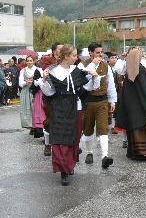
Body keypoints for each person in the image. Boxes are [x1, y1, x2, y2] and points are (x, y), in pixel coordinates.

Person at [40, 45, 101, 185]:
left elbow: (88, 87)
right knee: (60, 137)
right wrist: (43, 80)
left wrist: (94, 77)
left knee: (74, 136)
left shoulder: (77, 70)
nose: (76, 58)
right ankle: (63, 170)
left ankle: (69, 165)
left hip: (75, 106)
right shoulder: (52, 72)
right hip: (59, 107)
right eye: (74, 55)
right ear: (66, 56)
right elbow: (48, 92)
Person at [115, 47, 146, 160]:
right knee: (141, 129)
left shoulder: (129, 72)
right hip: (141, 105)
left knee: (133, 129)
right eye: (140, 56)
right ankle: (140, 152)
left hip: (132, 107)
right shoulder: (140, 70)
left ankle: (133, 152)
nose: (141, 57)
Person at [80, 43, 116, 169]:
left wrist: (112, 100)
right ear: (90, 53)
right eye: (97, 52)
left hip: (102, 101)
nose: (100, 54)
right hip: (88, 101)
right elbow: (83, 84)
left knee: (103, 128)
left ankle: (104, 156)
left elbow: (110, 84)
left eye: (101, 52)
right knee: (88, 129)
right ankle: (89, 152)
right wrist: (92, 67)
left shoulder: (106, 65)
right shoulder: (83, 65)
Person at [19, 56, 43, 131]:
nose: (29, 62)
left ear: (33, 61)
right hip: (26, 90)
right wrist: (26, 82)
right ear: (26, 62)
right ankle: (30, 125)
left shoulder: (38, 70)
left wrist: (35, 82)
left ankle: (37, 125)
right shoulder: (23, 71)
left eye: (31, 60)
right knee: (28, 108)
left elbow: (42, 79)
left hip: (36, 91)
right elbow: (20, 83)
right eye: (28, 61)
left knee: (36, 108)